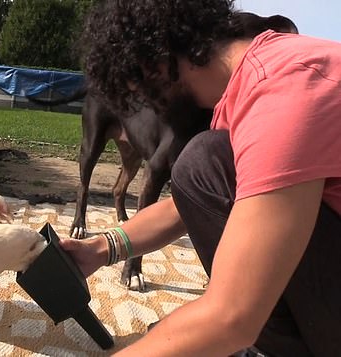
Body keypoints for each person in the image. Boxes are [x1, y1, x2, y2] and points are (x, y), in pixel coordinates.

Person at [57, 0, 341, 356]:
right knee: (203, 168)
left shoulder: (283, 90)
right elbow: (185, 206)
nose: (152, 108)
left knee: (200, 161)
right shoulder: (255, 78)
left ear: (156, 65)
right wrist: (100, 249)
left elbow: (232, 318)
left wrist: (216, 325)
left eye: (142, 94)